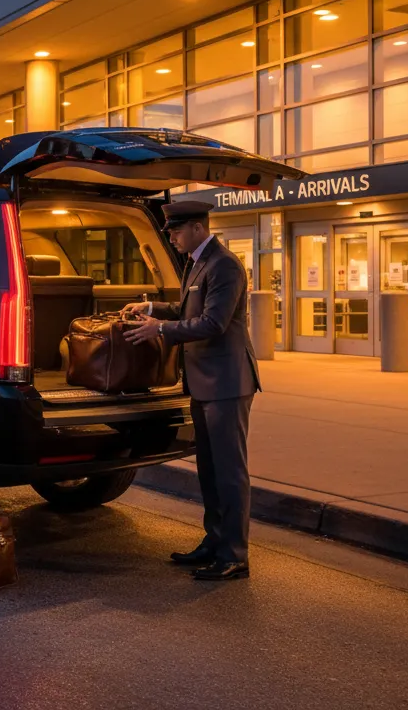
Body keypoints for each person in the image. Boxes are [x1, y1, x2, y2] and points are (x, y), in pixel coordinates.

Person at [123, 200, 259, 582]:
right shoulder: (199, 262)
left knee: (230, 472)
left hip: (228, 384)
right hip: (204, 382)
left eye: (176, 231)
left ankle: (234, 555)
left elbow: (213, 322)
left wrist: (160, 330)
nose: (172, 237)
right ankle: (214, 542)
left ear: (198, 227)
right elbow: (189, 308)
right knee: (210, 468)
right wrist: (152, 307)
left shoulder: (225, 264)